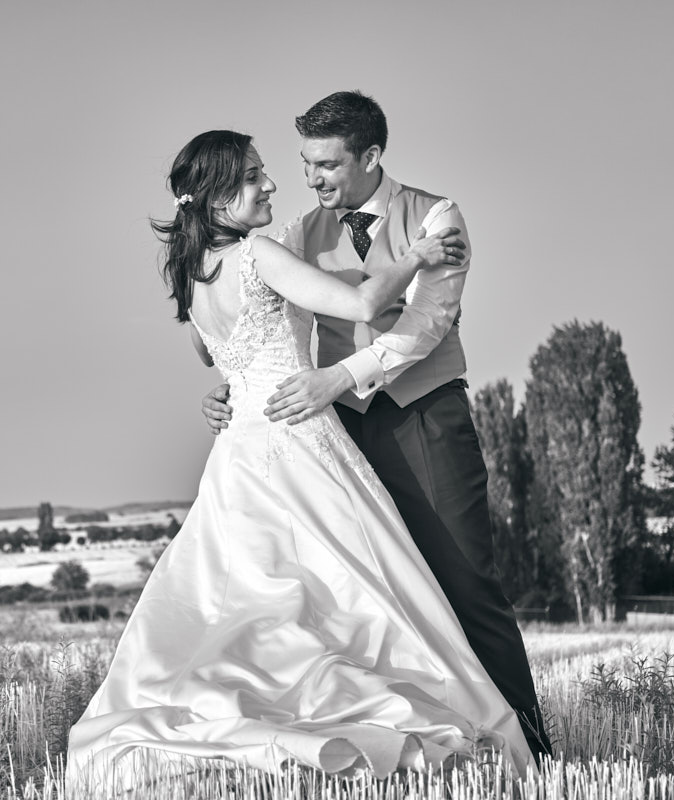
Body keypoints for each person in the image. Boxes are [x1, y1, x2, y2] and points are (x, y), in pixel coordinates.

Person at [65, 129, 533, 796]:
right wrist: (421, 254)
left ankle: (266, 728)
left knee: (261, 604)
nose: (272, 185)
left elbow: (220, 357)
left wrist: (225, 394)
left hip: (240, 456)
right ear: (221, 197)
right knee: (346, 597)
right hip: (304, 444)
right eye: (255, 176)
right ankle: (351, 728)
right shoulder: (258, 252)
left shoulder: (192, 275)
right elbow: (365, 304)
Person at [201, 91, 552, 761]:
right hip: (331, 435)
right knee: (365, 599)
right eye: (305, 164)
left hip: (425, 419)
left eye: (327, 165)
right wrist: (234, 391)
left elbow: (425, 326)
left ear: (370, 156)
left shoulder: (438, 217)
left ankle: (530, 751)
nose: (312, 179)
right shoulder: (298, 232)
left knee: (465, 582)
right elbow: (279, 328)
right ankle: (419, 751)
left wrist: (339, 376)